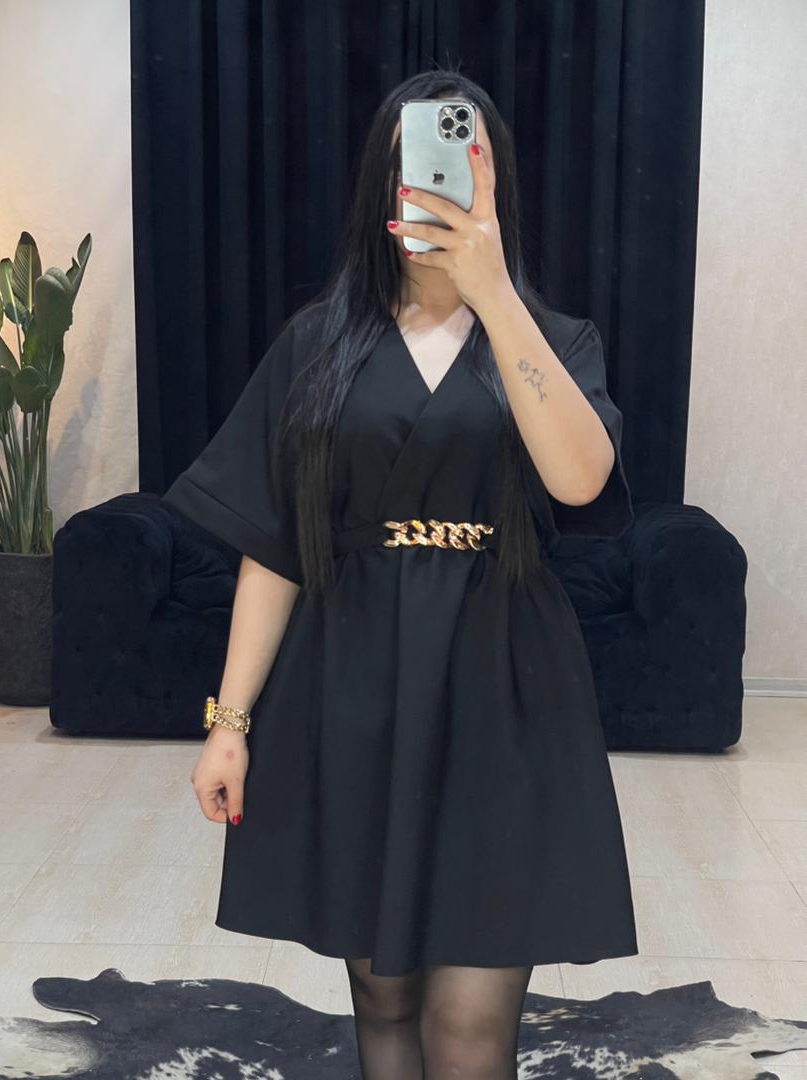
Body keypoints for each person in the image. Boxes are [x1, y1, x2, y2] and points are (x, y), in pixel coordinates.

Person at [163, 67, 638, 1080]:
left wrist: (493, 293)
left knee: (470, 1021)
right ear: (380, 188)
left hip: (503, 690)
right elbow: (276, 548)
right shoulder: (318, 344)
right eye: (408, 170)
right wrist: (229, 724)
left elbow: (580, 478)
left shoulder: (552, 341)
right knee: (383, 999)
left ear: (493, 184)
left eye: (458, 170)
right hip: (356, 683)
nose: (429, 191)